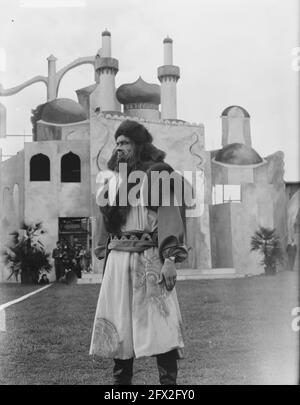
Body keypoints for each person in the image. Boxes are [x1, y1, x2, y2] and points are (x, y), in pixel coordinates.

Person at [89, 119, 187, 385]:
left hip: (150, 259)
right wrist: (102, 247)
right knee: (120, 327)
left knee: (161, 327)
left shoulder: (156, 176)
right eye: (117, 143)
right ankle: (122, 387)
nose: (120, 148)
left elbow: (169, 217)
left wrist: (169, 260)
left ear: (139, 145)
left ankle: (168, 387)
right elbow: (105, 221)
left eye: (126, 143)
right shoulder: (113, 181)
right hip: (119, 261)